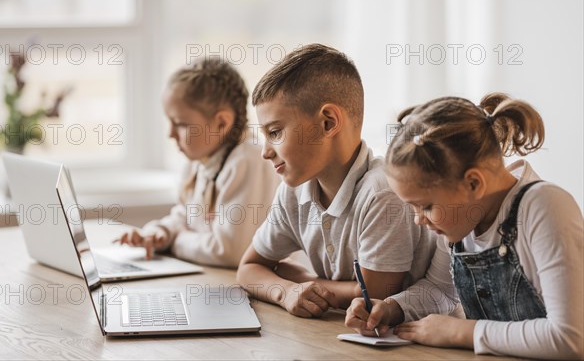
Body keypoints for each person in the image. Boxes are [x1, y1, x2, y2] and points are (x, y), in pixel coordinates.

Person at [345, 93, 583, 359]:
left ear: (473, 184)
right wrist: (392, 308)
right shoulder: (463, 220)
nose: (418, 219)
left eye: (425, 206)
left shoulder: (545, 207)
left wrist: (463, 332)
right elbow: (440, 290)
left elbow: (570, 337)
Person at [236, 44, 439, 317]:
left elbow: (372, 296)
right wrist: (284, 291)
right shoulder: (293, 193)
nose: (266, 152)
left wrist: (301, 279)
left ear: (328, 123)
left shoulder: (381, 192)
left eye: (275, 132)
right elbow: (248, 269)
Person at [118, 58, 280, 268]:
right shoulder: (197, 161)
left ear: (221, 123)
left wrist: (176, 241)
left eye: (180, 124)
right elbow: (184, 217)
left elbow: (229, 251)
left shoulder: (247, 161)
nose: (170, 133)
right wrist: (159, 232)